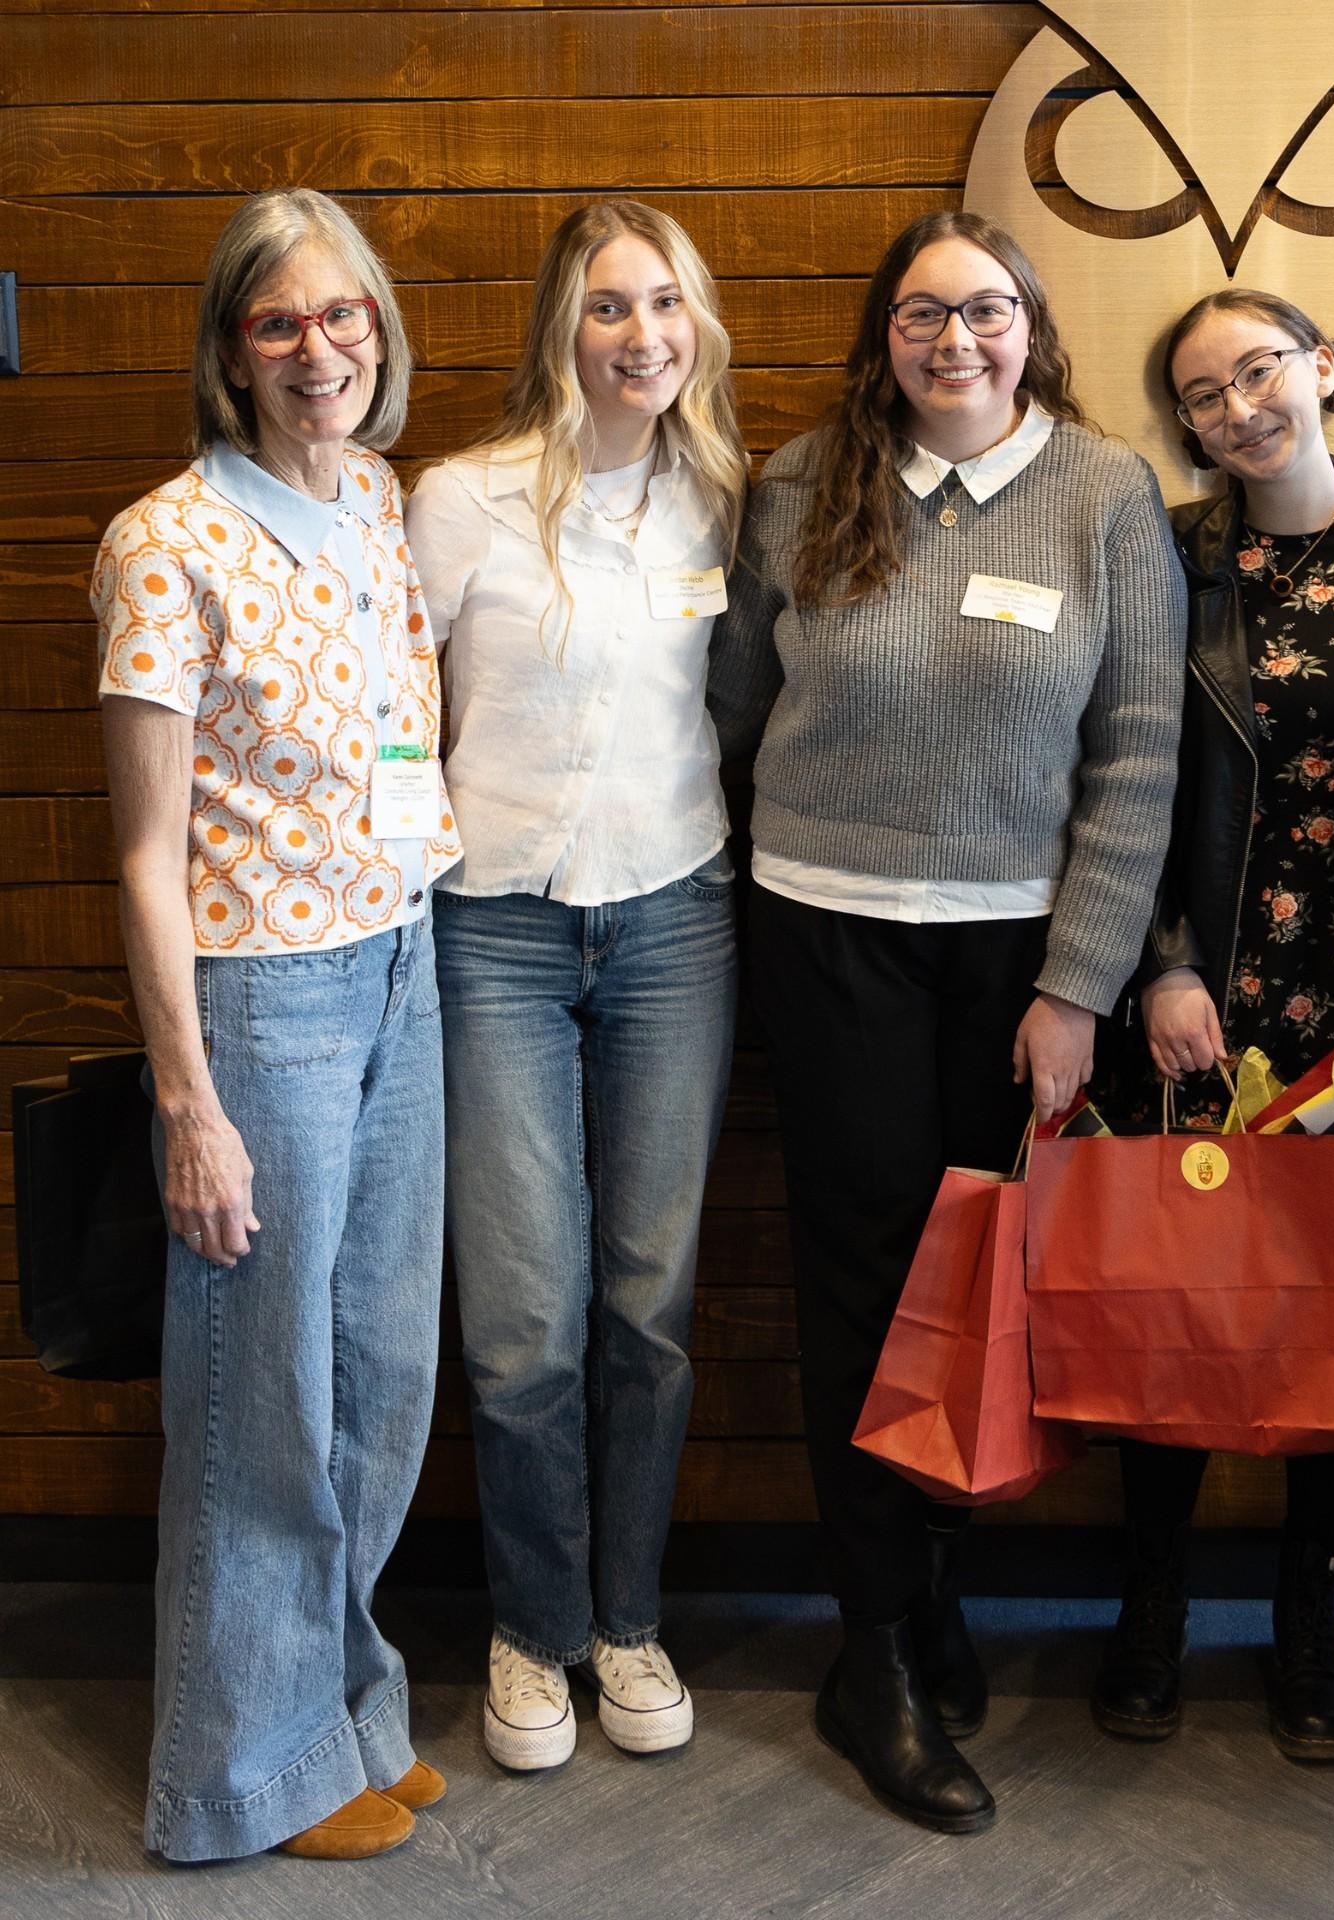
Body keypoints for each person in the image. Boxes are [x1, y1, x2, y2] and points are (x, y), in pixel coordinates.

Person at [706, 209, 1186, 1833]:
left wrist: (1078, 987)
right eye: (923, 314)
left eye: (985, 310)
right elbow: (734, 706)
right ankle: (875, 1650)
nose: (954, 340)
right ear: (884, 333)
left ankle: (926, 1587)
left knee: (980, 1289)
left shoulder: (1106, 493)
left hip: (1010, 966)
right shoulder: (798, 483)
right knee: (858, 1285)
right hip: (824, 933)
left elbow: (1137, 761)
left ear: (1031, 324)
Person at [95, 189, 460, 1862]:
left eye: (345, 317)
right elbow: (145, 855)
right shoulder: (166, 538)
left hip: (405, 964)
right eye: (280, 322)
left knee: (380, 1372)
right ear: (231, 349)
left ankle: (343, 1717)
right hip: (266, 1006)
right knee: (264, 1397)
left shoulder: (379, 499)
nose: (321, 349)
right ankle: (237, 1780)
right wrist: (192, 1102)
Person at [1092, 289, 1334, 1759]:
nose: (1240, 405)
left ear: (1322, 366)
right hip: (1210, 994)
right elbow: (1120, 773)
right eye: (1201, 393)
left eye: (1261, 369)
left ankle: (1311, 1606)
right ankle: (1153, 1600)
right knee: (1176, 1308)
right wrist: (1161, 962)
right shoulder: (1169, 558)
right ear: (1181, 425)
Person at [406, 201, 748, 1772]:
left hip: (676, 915)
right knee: (527, 1319)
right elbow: (402, 718)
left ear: (697, 322)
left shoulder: (724, 496)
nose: (640, 336)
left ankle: (631, 1621)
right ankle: (531, 1632)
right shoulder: (462, 498)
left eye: (663, 303)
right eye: (608, 306)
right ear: (563, 325)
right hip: (492, 928)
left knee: (649, 1306)